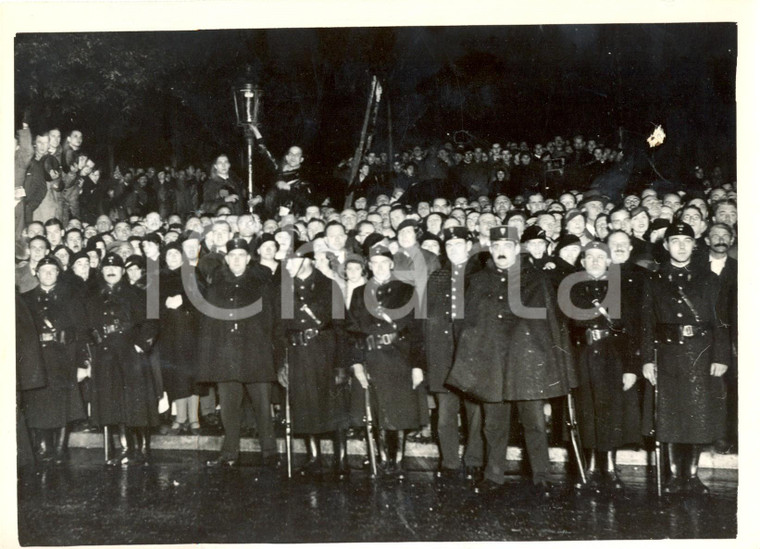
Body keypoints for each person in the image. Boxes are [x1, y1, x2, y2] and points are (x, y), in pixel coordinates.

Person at [446, 226, 576, 497]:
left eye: (507, 245)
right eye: (496, 247)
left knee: (535, 423)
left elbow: (553, 325)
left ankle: (541, 475)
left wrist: (549, 363)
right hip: (492, 364)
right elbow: (466, 326)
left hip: (527, 365)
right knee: (493, 423)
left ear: (517, 248)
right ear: (490, 250)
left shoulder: (536, 279)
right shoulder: (479, 281)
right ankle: (494, 474)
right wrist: (472, 361)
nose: (501, 251)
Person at [641, 222, 730, 495]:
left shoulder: (710, 279)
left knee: (698, 415)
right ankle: (673, 477)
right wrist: (646, 359)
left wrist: (721, 356)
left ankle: (691, 476)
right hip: (666, 354)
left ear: (695, 244)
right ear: (666, 245)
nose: (681, 245)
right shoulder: (654, 280)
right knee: (668, 414)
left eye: (686, 240)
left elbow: (722, 322)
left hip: (700, 354)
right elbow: (646, 323)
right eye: (675, 240)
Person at [345, 242, 426, 479]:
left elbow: (417, 330)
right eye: (374, 263)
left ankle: (397, 460)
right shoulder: (360, 293)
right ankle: (380, 458)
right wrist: (357, 363)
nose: (379, 267)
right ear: (369, 266)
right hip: (371, 357)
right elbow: (353, 330)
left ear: (391, 264)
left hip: (399, 357)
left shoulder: (407, 290)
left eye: (384, 262)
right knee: (377, 411)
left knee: (399, 411)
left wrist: (418, 365)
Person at [564, 241, 641, 491]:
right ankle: (589, 468)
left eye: (601, 257)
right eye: (590, 257)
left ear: (609, 261)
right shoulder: (571, 290)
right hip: (582, 356)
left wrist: (630, 367)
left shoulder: (621, 289)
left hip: (612, 356)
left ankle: (609, 468)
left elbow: (630, 331)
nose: (596, 261)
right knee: (586, 411)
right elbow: (563, 330)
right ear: (582, 262)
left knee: (611, 412)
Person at [197, 238, 280, 468]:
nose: (236, 260)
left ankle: (270, 451)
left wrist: (273, 349)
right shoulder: (216, 286)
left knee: (262, 405)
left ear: (248, 258)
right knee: (229, 406)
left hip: (256, 352)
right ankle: (229, 451)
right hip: (226, 354)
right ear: (226, 259)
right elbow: (208, 323)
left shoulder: (261, 284)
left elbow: (273, 319)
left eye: (241, 255)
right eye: (232, 256)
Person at [276, 245, 350, 479]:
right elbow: (277, 331)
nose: (286, 265)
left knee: (334, 407)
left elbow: (341, 327)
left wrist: (341, 364)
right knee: (304, 405)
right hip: (297, 354)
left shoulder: (329, 287)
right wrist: (281, 363)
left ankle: (341, 460)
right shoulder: (284, 290)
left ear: (305, 261)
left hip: (325, 352)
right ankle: (314, 457)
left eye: (290, 261)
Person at [83, 253, 160, 466]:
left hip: (131, 354)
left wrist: (141, 344)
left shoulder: (137, 294)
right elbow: (87, 326)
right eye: (107, 268)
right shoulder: (93, 298)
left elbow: (152, 322)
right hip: (107, 356)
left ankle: (144, 449)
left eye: (116, 267)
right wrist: (98, 341)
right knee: (116, 403)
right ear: (101, 272)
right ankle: (128, 448)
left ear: (123, 271)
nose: (111, 271)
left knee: (137, 402)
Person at [424, 226, 484, 482]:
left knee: (475, 413)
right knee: (445, 415)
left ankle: (474, 460)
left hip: (471, 356)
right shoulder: (437, 277)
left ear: (469, 246)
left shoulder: (481, 276)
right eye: (449, 245)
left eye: (458, 244)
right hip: (442, 356)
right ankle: (449, 462)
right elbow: (427, 318)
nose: (453, 249)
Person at [22, 256, 86, 464]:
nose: (48, 274)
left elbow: (81, 332)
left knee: (62, 404)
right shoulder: (25, 299)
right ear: (36, 273)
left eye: (52, 270)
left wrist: (80, 363)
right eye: (44, 270)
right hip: (36, 358)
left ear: (59, 273)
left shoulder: (72, 298)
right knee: (38, 402)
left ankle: (59, 449)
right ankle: (42, 448)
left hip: (63, 358)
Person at [159, 240, 202, 435]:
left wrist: (183, 299)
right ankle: (180, 417)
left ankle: (194, 418)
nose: (173, 257)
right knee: (176, 375)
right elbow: (151, 305)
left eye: (176, 254)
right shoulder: (158, 277)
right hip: (168, 334)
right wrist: (164, 302)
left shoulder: (192, 273)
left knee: (192, 375)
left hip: (190, 331)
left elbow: (203, 297)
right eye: (169, 254)